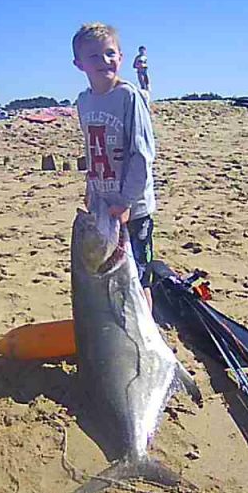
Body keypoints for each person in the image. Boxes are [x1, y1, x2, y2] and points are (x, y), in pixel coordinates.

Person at [73, 24, 158, 310]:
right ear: (79, 63)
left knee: (138, 277)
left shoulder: (128, 96)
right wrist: (90, 188)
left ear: (121, 57)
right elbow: (91, 150)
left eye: (110, 53)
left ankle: (148, 329)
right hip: (102, 205)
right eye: (94, 56)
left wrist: (126, 201)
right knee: (110, 273)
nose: (104, 61)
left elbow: (142, 155)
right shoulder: (83, 101)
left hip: (132, 207)